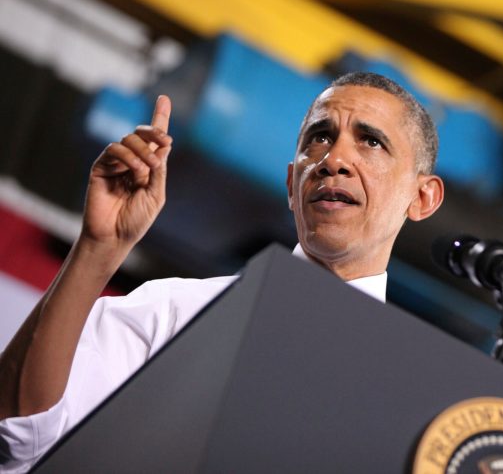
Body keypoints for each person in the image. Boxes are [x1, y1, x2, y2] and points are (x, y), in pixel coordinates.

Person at [0, 72, 445, 471]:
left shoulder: (421, 404)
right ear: (293, 184)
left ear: (422, 198)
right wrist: (99, 248)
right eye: (320, 137)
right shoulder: (174, 311)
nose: (334, 159)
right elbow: (18, 435)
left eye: (371, 141)